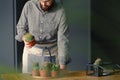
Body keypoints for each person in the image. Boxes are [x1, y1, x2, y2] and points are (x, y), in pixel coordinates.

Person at [15, 0, 71, 73]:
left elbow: (63, 39)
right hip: (31, 51)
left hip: (53, 53)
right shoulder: (29, 6)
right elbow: (21, 27)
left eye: (47, 1)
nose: (43, 4)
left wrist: (63, 65)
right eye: (41, 0)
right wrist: (24, 37)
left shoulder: (61, 11)